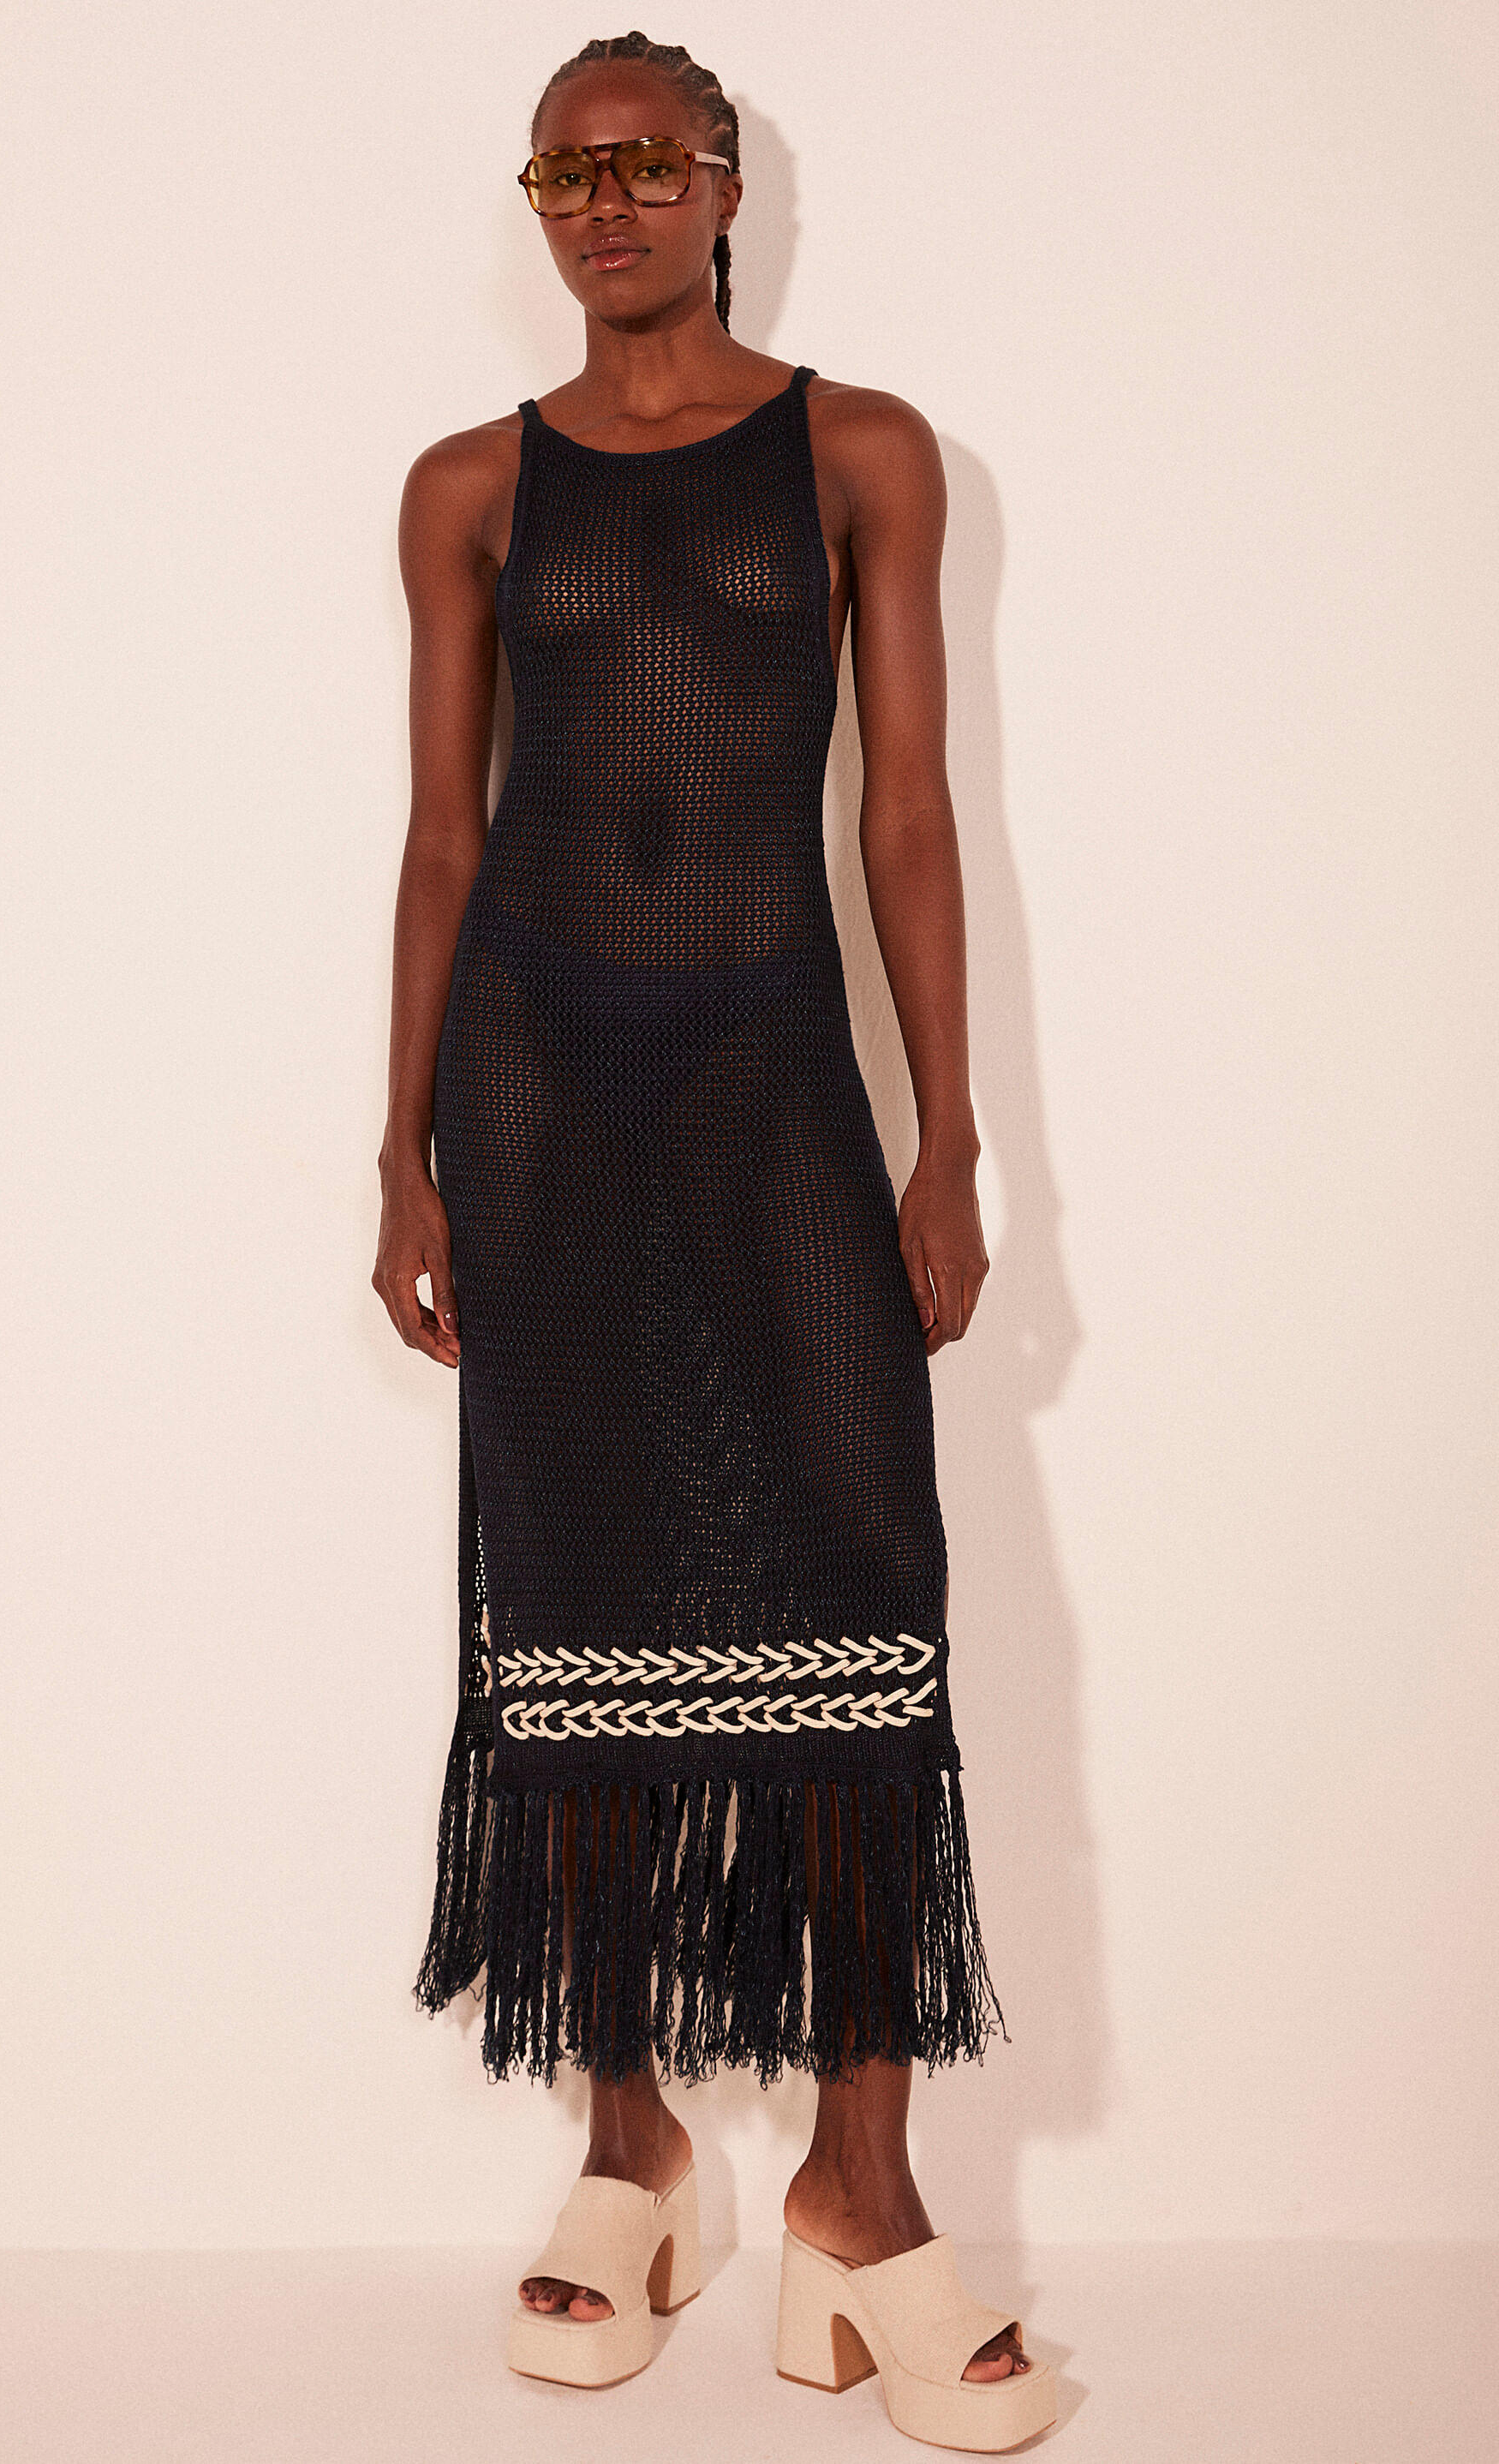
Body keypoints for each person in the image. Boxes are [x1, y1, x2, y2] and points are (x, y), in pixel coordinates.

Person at [373, 29, 1057, 2449]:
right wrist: (400, 1152)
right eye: (566, 170)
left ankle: (863, 2190)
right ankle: (631, 2146)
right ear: (537, 201)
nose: (607, 202)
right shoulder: (471, 489)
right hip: (539, 1093)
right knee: (573, 1596)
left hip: (776, 1078)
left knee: (856, 1568)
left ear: (725, 182)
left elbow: (910, 820)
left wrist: (946, 1143)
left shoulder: (860, 451)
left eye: (648, 160)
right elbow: (444, 836)